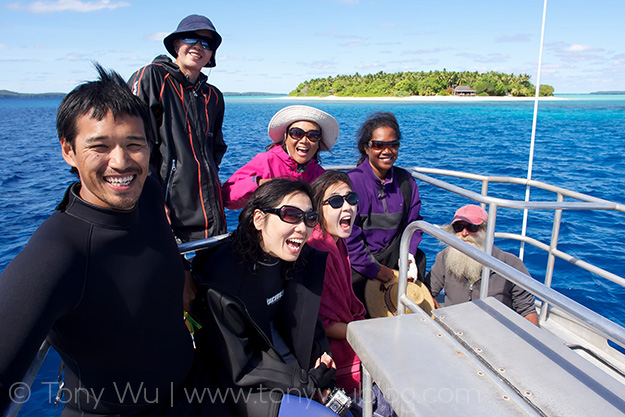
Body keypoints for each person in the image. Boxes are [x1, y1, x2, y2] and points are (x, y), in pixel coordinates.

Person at [0, 65, 229, 416]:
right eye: (100, 146)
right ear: (69, 151)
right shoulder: (57, 250)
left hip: (194, 388)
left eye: (134, 144)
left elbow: (156, 250)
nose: (121, 162)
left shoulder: (148, 193)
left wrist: (181, 272)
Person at [192, 179, 343, 417]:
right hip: (240, 387)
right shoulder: (222, 281)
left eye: (309, 218)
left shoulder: (298, 263)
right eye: (291, 215)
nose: (303, 228)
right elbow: (239, 365)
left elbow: (310, 327)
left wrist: (322, 370)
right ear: (259, 219)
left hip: (287, 371)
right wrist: (305, 383)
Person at [128, 14, 227, 243]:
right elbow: (132, 144)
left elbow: (216, 148)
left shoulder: (213, 96)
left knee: (210, 272)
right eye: (191, 38)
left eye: (206, 43)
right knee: (170, 274)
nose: (198, 47)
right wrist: (150, 199)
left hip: (208, 209)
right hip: (165, 207)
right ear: (176, 44)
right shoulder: (152, 77)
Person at [346, 112, 425, 306]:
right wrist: (375, 269)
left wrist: (409, 256)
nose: (387, 151)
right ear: (366, 148)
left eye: (393, 145)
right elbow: (349, 234)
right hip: (361, 265)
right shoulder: (352, 182)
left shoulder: (406, 182)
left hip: (396, 258)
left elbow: (414, 223)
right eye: (379, 145)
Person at [425, 204, 540, 325]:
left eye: (472, 227)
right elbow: (427, 290)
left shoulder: (511, 264)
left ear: (486, 231)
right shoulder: (444, 258)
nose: (464, 233)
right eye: (459, 227)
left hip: (496, 332)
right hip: (454, 328)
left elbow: (527, 311)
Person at [308, 171, 365, 394]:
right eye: (335, 201)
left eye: (351, 199)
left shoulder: (337, 243)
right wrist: (365, 332)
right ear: (317, 210)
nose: (347, 206)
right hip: (323, 344)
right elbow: (325, 324)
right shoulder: (319, 251)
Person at [221, 105, 339, 209]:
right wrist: (259, 184)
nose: (304, 140)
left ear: (318, 142)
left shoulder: (320, 175)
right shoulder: (266, 161)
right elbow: (226, 197)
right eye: (297, 133)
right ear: (285, 137)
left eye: (313, 136)